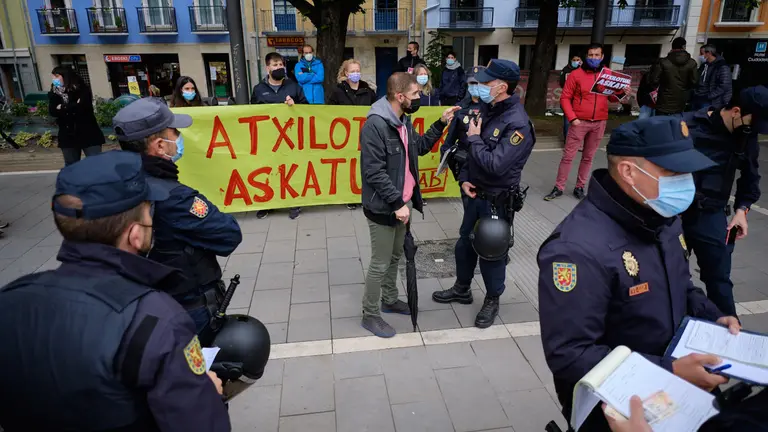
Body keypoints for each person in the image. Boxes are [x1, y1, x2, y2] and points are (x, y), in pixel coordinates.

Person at [0, 151, 229, 431]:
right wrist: (210, 395)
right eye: (148, 211)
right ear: (135, 234)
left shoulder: (10, 299)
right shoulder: (157, 319)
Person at [538, 116, 741, 432]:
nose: (686, 182)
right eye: (673, 173)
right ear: (629, 171)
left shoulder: (661, 215)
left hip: (675, 389)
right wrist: (670, 370)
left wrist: (713, 317)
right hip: (615, 410)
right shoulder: (576, 249)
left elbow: (681, 284)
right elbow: (569, 354)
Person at [115, 97, 243, 334]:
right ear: (160, 146)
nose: (179, 139)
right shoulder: (174, 197)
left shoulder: (116, 182)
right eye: (174, 132)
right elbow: (229, 234)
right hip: (186, 309)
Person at [431, 59, 535, 328]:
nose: (481, 86)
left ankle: (492, 298)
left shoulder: (518, 124)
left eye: (487, 82)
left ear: (502, 87)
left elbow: (495, 164)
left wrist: (476, 138)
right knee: (465, 244)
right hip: (475, 194)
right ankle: (462, 288)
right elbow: (470, 154)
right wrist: (464, 178)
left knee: (491, 251)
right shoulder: (489, 109)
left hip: (497, 201)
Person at [360, 72, 459, 338]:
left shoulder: (403, 121)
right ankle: (370, 314)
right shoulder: (376, 125)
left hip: (401, 204)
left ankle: (389, 299)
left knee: (395, 256)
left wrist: (440, 124)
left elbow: (420, 148)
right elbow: (373, 171)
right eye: (415, 94)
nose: (419, 98)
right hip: (384, 207)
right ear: (399, 95)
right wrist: (396, 203)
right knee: (380, 263)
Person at [681, 86, 767, 317]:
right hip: (674, 215)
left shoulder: (745, 137)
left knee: (719, 279)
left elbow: (751, 178)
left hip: (711, 214)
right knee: (669, 275)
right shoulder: (687, 125)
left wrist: (742, 210)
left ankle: (729, 336)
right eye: (753, 122)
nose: (755, 130)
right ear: (736, 111)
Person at [545, 43, 622, 201]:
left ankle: (580, 187)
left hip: (599, 122)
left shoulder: (606, 75)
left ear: (602, 57)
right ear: (586, 56)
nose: (593, 58)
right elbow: (565, 97)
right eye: (591, 55)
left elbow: (612, 97)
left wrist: (621, 92)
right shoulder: (576, 74)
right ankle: (559, 187)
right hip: (579, 122)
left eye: (596, 55)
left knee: (588, 157)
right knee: (568, 156)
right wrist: (573, 118)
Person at [250, 52, 307, 220]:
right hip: (267, 139)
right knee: (267, 170)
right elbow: (251, 113)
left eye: (281, 65)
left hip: (290, 139)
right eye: (275, 65)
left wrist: (295, 105)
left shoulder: (294, 87)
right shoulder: (258, 90)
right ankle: (268, 203)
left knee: (289, 170)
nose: (278, 68)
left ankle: (293, 202)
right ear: (268, 68)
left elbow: (307, 109)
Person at [328, 58, 378, 210]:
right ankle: (350, 196)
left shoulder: (369, 91)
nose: (356, 73)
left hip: (365, 135)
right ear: (345, 73)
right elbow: (329, 112)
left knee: (366, 164)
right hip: (345, 137)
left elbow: (376, 109)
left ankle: (366, 194)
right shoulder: (337, 91)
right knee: (348, 166)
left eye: (358, 71)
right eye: (352, 71)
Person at [48, 66, 105, 166]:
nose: (54, 79)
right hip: (67, 135)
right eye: (53, 76)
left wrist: (62, 107)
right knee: (71, 166)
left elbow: (82, 108)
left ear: (65, 76)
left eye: (56, 76)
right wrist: (72, 106)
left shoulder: (81, 89)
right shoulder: (54, 93)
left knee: (96, 164)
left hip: (88, 132)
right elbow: (53, 111)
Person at [440, 65, 484, 163]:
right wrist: (444, 158)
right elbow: (451, 136)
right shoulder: (460, 107)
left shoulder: (490, 107)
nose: (475, 86)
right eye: (472, 83)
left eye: (478, 83)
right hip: (463, 159)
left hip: (483, 159)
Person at [648, 37, 698, 116]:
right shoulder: (692, 63)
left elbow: (654, 80)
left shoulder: (663, 62)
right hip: (681, 100)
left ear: (672, 47)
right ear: (684, 47)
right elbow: (694, 81)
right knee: (676, 125)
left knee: (660, 124)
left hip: (663, 100)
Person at [692, 44, 732, 111]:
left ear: (709, 53)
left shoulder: (722, 67)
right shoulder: (703, 65)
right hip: (698, 97)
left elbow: (724, 86)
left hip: (710, 101)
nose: (700, 56)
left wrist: (709, 96)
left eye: (702, 53)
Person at [559, 55, 582, 139]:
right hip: (569, 98)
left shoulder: (583, 70)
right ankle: (567, 140)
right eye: (574, 60)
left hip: (580, 99)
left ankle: (577, 140)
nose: (576, 61)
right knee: (568, 120)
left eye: (578, 60)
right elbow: (561, 83)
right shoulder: (566, 70)